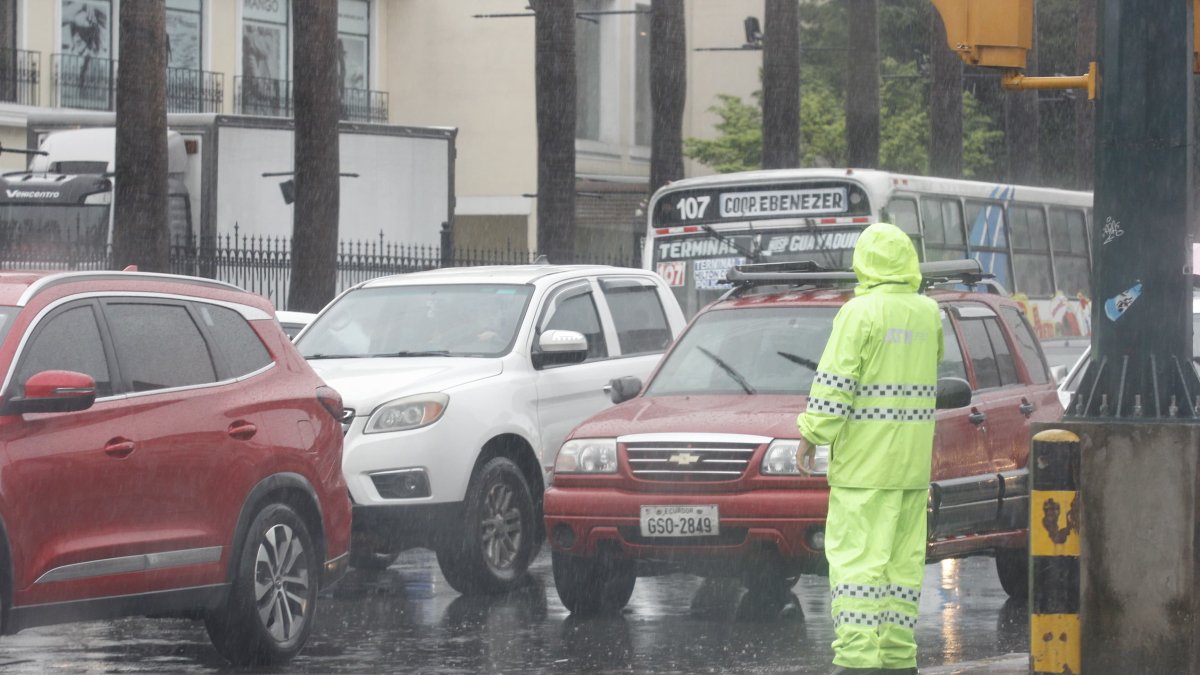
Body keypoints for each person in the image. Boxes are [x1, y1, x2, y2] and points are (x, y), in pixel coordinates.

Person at [795, 222, 943, 675]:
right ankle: (898, 657)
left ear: (864, 261)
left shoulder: (860, 313)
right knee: (902, 566)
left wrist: (811, 434)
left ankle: (858, 660)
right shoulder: (929, 313)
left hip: (864, 468)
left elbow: (836, 381)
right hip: (911, 469)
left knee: (858, 564)